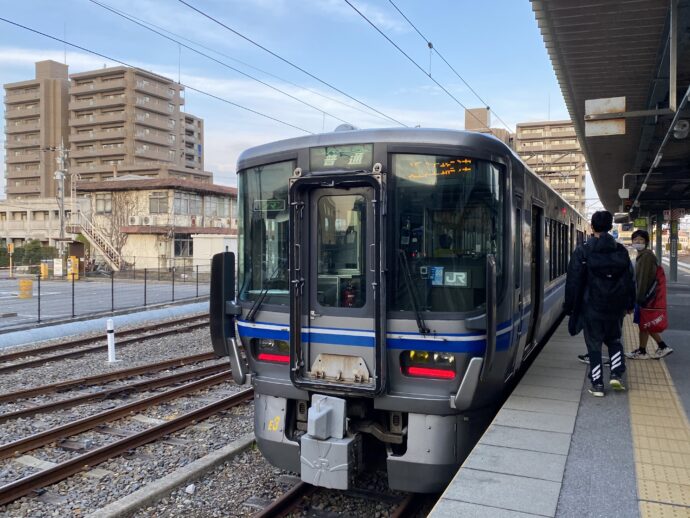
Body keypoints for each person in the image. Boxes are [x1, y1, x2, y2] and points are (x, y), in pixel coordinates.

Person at [564, 211, 636, 397]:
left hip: (591, 307)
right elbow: (630, 279)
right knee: (614, 339)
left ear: (592, 227)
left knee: (594, 345)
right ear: (610, 227)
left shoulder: (583, 251)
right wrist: (629, 303)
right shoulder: (620, 251)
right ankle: (616, 374)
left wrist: (570, 306)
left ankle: (597, 384)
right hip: (615, 307)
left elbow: (573, 280)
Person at [626, 229, 673, 359]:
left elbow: (643, 280)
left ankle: (661, 346)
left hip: (647, 298)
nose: (637, 242)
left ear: (646, 242)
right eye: (635, 240)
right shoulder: (643, 255)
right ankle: (644, 350)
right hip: (648, 297)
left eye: (640, 240)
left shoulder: (646, 257)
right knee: (644, 324)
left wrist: (638, 299)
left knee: (645, 323)